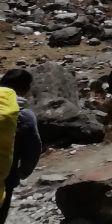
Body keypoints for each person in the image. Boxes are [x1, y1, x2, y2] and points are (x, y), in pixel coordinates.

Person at [0, 69, 41, 224]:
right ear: (25, 89)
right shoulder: (24, 115)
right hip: (5, 176)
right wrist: (23, 172)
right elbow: (33, 147)